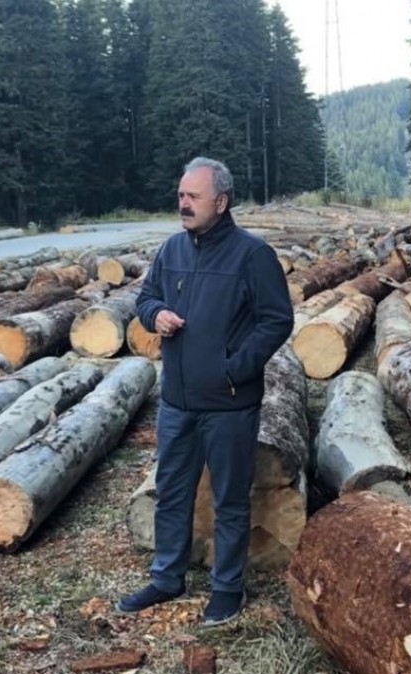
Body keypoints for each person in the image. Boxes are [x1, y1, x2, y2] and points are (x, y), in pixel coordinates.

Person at [115, 157, 293, 626]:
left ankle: (227, 588)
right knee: (172, 490)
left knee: (230, 499)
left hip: (230, 404)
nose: (183, 203)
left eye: (192, 196)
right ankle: (166, 577)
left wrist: (235, 367)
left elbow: (277, 320)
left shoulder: (251, 255)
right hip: (177, 400)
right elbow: (146, 297)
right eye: (180, 195)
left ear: (221, 201)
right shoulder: (172, 250)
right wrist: (155, 316)